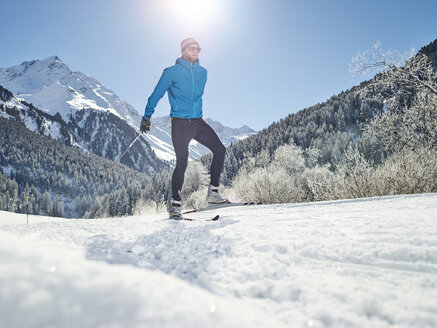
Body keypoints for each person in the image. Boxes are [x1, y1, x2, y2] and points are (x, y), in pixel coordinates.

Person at [140, 38, 227, 218]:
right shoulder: (171, 72)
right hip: (180, 123)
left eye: (198, 49)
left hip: (197, 122)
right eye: (191, 48)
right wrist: (147, 116)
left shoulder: (203, 72)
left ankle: (213, 193)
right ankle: (175, 204)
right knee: (182, 161)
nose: (195, 51)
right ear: (183, 50)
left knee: (220, 150)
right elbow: (157, 94)